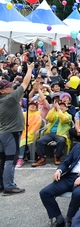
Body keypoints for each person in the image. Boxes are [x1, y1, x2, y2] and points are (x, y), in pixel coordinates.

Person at [0, 64, 34, 195]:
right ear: (2, 90)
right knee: (10, 160)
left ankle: (2, 184)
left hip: (2, 132)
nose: (10, 87)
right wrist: (30, 69)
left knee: (2, 159)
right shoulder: (10, 98)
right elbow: (25, 83)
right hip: (11, 132)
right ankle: (9, 186)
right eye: (7, 87)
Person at [32, 100, 73, 167]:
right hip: (50, 133)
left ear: (66, 108)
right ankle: (42, 158)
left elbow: (64, 119)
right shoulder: (55, 113)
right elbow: (48, 118)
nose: (61, 107)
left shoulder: (69, 115)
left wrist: (59, 110)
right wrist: (54, 108)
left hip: (61, 134)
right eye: (60, 105)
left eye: (63, 106)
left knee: (61, 141)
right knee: (40, 141)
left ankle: (57, 157)